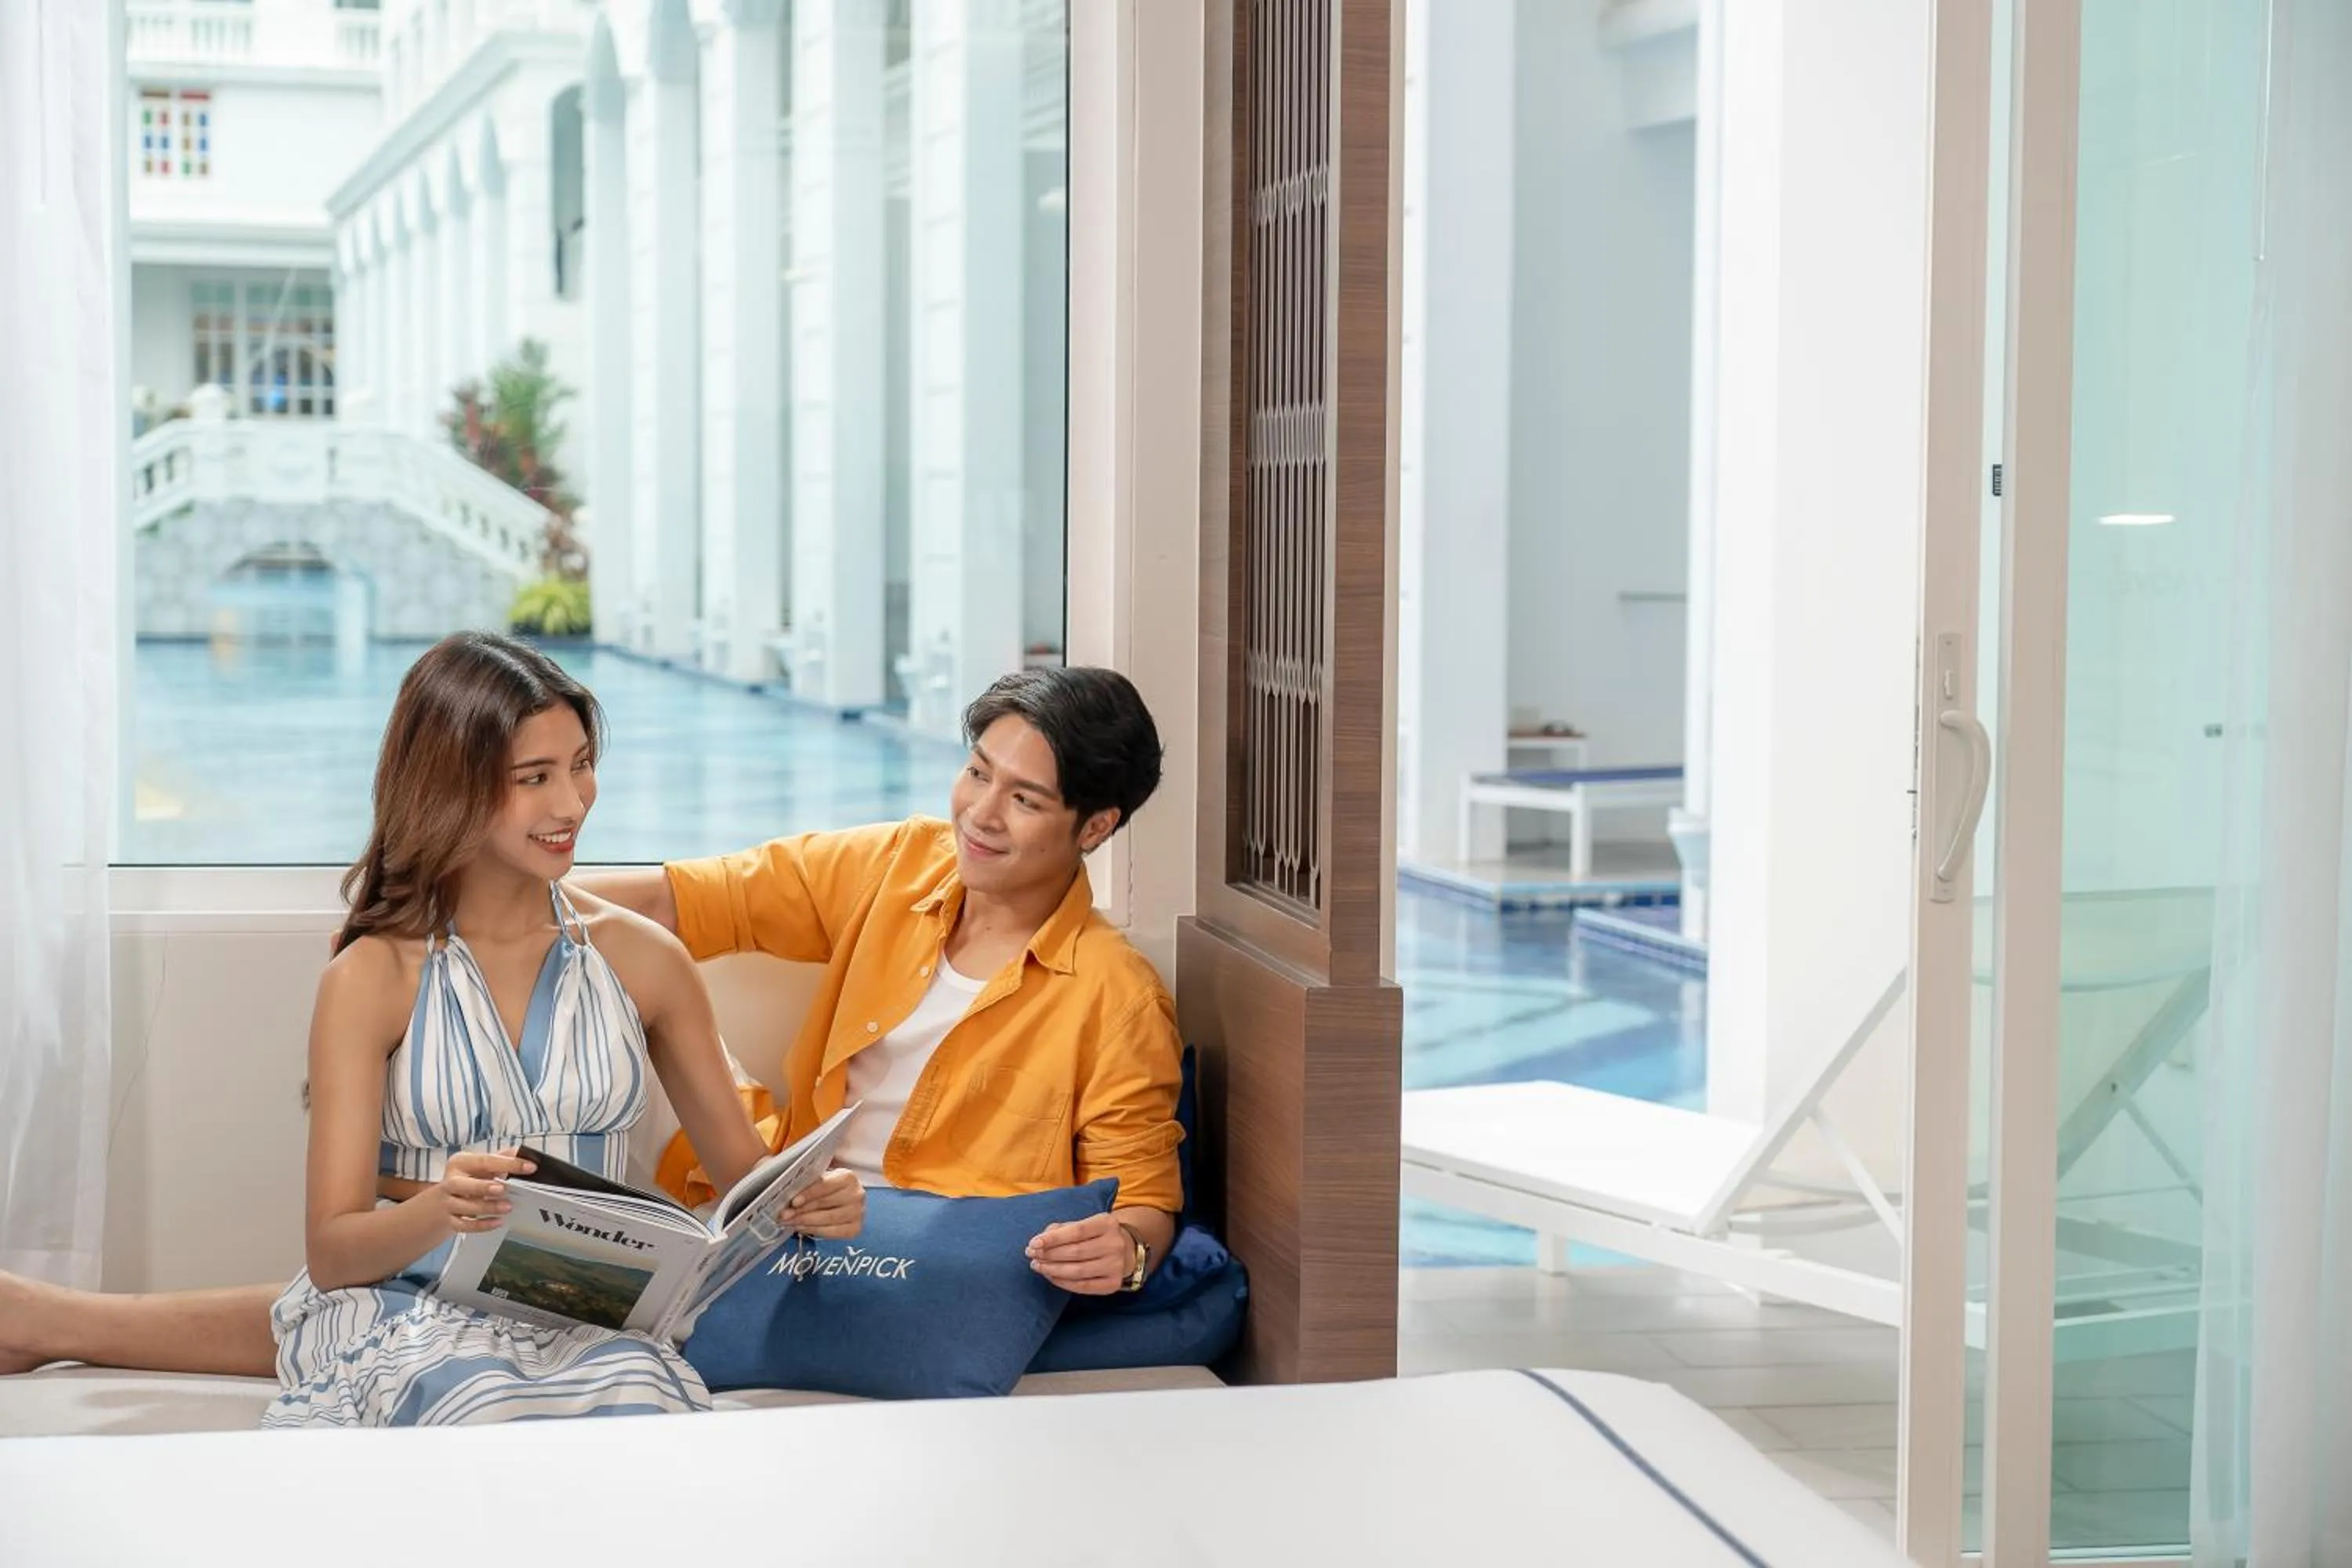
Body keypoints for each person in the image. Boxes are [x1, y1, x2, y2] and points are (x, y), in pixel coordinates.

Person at [0, 662, 1178, 1381]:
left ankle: (58, 1320)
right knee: (464, 1295)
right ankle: (55, 1320)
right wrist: (451, 915)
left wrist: (1128, 1246)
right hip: (768, 1220)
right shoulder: (894, 866)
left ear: (1094, 826)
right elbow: (690, 897)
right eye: (976, 774)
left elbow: (1141, 1192)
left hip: (917, 1245)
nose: (979, 812)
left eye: (1022, 799)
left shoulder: (1112, 995)